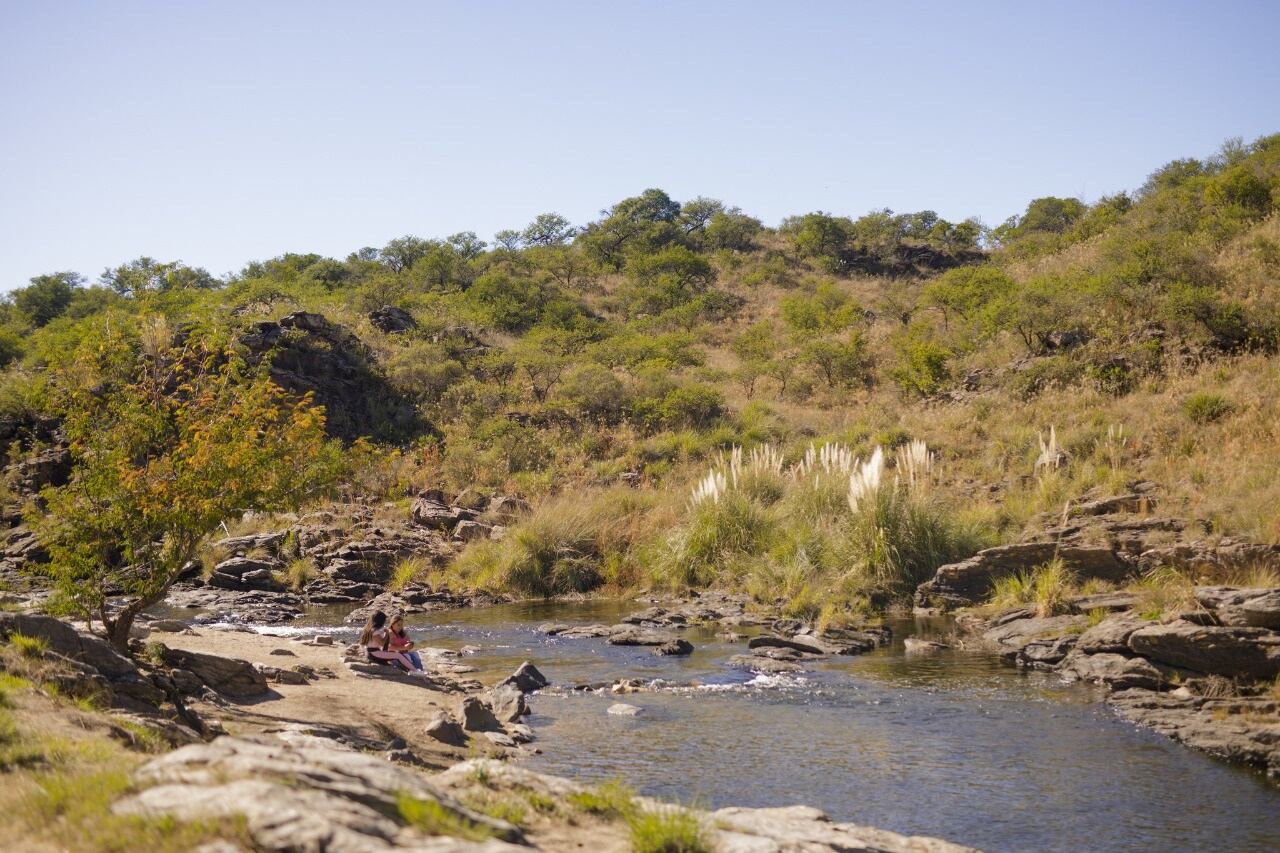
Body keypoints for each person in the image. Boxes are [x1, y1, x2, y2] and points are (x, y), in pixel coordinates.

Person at [358, 610, 424, 675]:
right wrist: (387, 634)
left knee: (399, 655)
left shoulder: (370, 629)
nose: (384, 623)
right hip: (374, 653)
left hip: (373, 652)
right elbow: (382, 643)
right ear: (380, 621)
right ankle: (415, 671)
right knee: (398, 655)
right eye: (383, 621)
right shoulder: (375, 632)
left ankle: (414, 670)